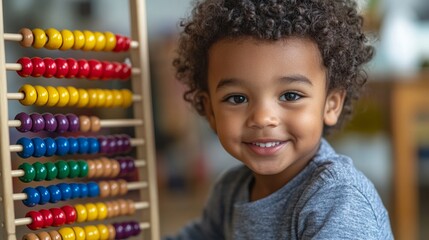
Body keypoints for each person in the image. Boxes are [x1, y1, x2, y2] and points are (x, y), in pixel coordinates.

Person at [166, 0, 394, 239]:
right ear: (210, 110)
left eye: (290, 95)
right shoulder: (229, 190)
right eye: (237, 98)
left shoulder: (338, 199)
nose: (263, 118)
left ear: (331, 104)